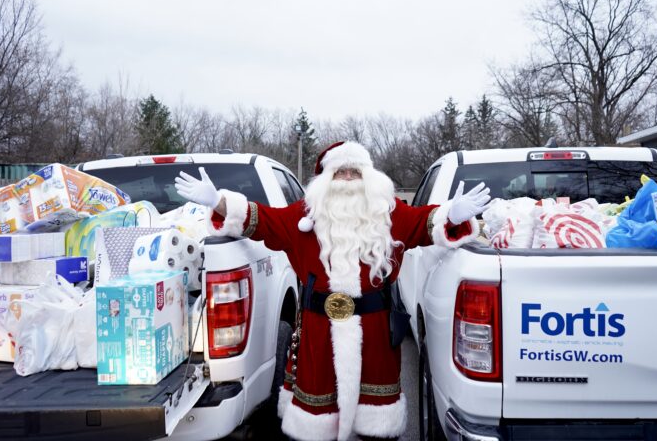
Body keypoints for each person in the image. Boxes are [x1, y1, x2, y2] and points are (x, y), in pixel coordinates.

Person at [175, 142, 490, 441]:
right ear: (326, 179)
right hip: (318, 333)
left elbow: (425, 223)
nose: (349, 179)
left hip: (375, 332)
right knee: (317, 420)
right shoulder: (302, 217)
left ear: (368, 177)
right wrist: (219, 201)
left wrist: (453, 214)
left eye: (355, 172)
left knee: (378, 420)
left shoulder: (388, 213)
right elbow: (262, 220)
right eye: (341, 172)